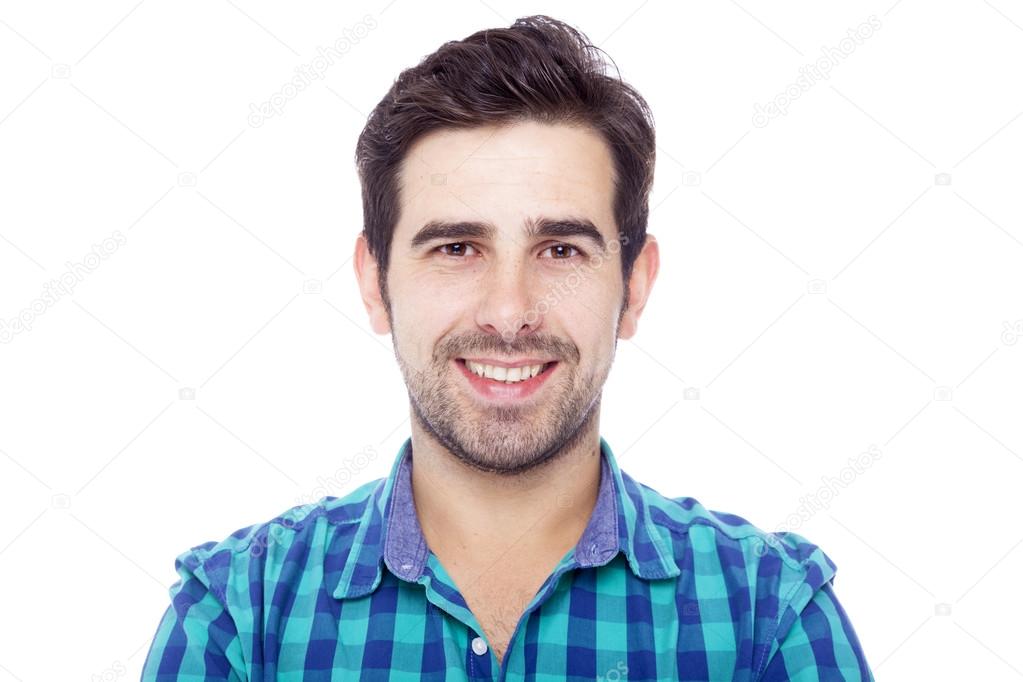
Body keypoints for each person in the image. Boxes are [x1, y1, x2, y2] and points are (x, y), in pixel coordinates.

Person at [141, 14, 874, 680]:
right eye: (457, 247)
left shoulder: (768, 616)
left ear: (635, 286)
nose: (508, 311)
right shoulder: (239, 618)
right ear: (374, 282)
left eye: (560, 249)